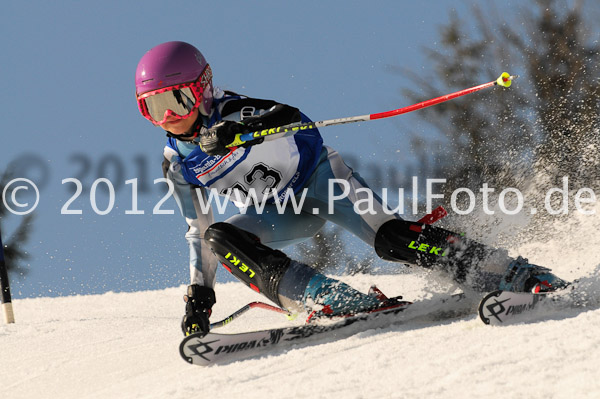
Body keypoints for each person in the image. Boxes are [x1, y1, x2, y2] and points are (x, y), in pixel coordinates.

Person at [135, 41, 568, 336]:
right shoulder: (178, 163)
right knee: (220, 237)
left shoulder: (234, 111)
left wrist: (239, 130)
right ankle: (326, 299)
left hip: (323, 182)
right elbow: (197, 231)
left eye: (177, 100)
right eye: (152, 109)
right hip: (283, 212)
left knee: (392, 239)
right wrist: (199, 297)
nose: (169, 116)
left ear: (203, 88)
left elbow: (291, 116)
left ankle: (517, 274)